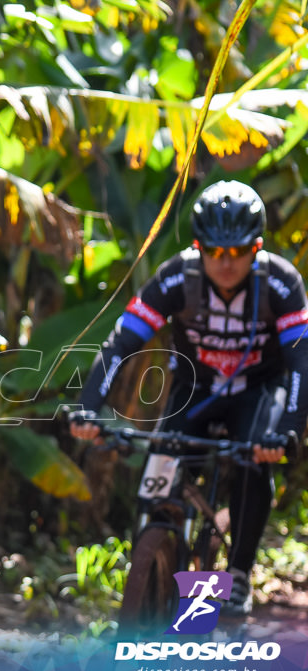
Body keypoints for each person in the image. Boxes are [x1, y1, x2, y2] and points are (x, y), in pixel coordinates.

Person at [70, 180, 308, 617]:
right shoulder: (177, 277)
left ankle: (237, 572)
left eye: (239, 252)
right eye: (215, 252)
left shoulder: (281, 283)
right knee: (160, 461)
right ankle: (148, 555)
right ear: (199, 247)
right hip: (195, 388)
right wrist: (89, 405)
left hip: (259, 388)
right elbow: (122, 342)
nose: (227, 263)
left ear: (257, 247)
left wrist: (288, 430)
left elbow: (300, 360)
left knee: (255, 460)